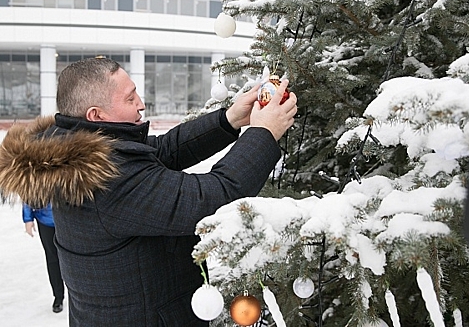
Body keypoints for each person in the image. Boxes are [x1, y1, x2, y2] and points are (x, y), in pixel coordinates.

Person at [0, 57, 297, 326]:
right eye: (130, 98)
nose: (141, 103)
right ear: (96, 114)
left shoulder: (76, 146)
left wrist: (229, 119)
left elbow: (162, 150)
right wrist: (264, 133)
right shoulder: (108, 179)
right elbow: (211, 197)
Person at [22, 203, 65, 313]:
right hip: (46, 220)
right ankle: (58, 295)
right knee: (52, 258)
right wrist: (28, 218)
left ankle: (80, 293)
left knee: (76, 258)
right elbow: (28, 191)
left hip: (71, 217)